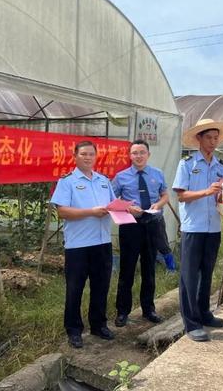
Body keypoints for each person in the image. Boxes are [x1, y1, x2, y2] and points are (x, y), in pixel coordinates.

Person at [172, 118, 223, 342]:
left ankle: (204, 313)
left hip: (213, 227)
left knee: (207, 272)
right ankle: (191, 322)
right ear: (199, 138)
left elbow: (222, 196)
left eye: (216, 138)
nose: (213, 141)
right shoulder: (187, 164)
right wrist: (208, 192)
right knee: (189, 275)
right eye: (209, 137)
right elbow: (181, 195)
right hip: (193, 226)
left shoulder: (221, 166)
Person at [50, 140, 116, 349]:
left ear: (96, 157)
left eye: (91, 154)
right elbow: (62, 212)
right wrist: (91, 212)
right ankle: (74, 330)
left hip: (103, 242)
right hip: (78, 245)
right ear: (75, 156)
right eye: (83, 154)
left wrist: (127, 209)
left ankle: (98, 325)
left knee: (101, 286)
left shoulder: (104, 181)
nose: (88, 158)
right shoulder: (67, 181)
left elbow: (112, 205)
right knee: (75, 289)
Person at [112, 139, 169, 327]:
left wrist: (158, 205)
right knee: (127, 270)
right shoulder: (121, 177)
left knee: (149, 269)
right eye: (135, 153)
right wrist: (128, 208)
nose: (138, 156)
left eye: (142, 152)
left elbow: (165, 195)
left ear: (148, 155)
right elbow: (112, 200)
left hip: (152, 225)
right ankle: (122, 312)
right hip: (130, 226)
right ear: (130, 156)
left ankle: (148, 309)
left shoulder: (157, 174)